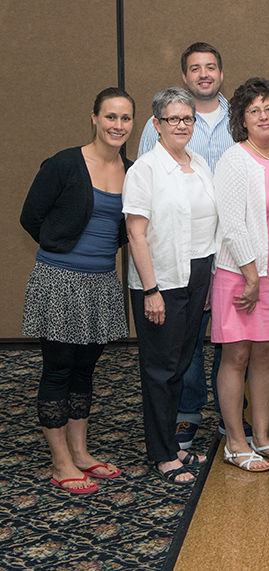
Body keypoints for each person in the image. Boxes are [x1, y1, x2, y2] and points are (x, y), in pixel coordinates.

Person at [20, 87, 135, 494]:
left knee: (86, 370)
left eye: (125, 118)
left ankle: (81, 452)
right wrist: (61, 248)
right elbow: (31, 216)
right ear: (94, 117)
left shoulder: (133, 170)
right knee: (58, 369)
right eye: (110, 117)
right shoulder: (65, 163)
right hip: (60, 281)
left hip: (102, 283)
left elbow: (128, 230)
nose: (117, 125)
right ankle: (60, 461)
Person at [138, 42, 235, 449]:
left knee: (229, 337)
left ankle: (230, 415)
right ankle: (188, 412)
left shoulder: (239, 118)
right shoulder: (155, 128)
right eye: (195, 68)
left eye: (211, 67)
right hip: (174, 253)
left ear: (221, 73)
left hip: (223, 248)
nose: (204, 74)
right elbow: (146, 194)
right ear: (185, 75)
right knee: (185, 345)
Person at [123, 87, 217, 485]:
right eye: (173, 119)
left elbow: (210, 228)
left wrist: (210, 282)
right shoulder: (144, 170)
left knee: (181, 364)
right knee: (160, 370)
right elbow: (135, 233)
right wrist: (151, 290)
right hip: (160, 280)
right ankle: (162, 453)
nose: (182, 125)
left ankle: (171, 442)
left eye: (188, 118)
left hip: (197, 274)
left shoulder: (199, 163)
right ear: (157, 125)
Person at [212, 78, 269, 472]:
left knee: (268, 355)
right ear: (242, 120)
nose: (263, 116)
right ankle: (235, 440)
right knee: (238, 355)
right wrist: (251, 276)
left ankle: (262, 437)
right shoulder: (234, 159)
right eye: (254, 110)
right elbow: (231, 224)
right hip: (241, 275)